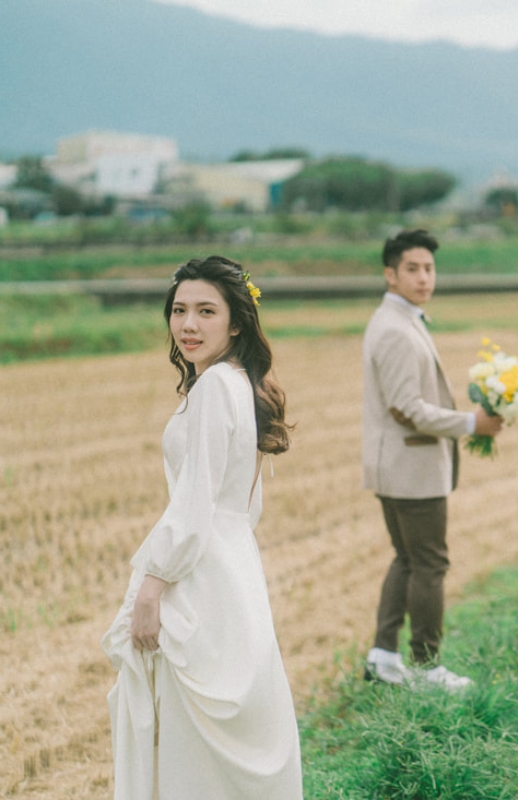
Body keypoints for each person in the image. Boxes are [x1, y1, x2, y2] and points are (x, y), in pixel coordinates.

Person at [102, 256, 302, 799]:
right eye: (179, 310)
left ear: (235, 322)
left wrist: (152, 586)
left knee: (189, 739)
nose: (188, 324)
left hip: (201, 572)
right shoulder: (244, 382)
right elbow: (243, 504)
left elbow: (194, 507)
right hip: (235, 567)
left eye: (206, 311)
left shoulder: (215, 386)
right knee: (216, 739)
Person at [362, 228, 503, 690]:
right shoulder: (397, 330)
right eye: (412, 269)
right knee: (429, 565)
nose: (424, 278)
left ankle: (384, 657)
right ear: (390, 275)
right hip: (411, 469)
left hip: (397, 466)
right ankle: (426, 667)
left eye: (429, 269)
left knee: (407, 559)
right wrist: (470, 424)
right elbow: (408, 408)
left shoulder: (399, 320)